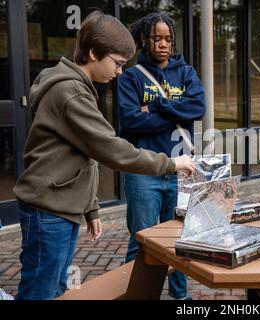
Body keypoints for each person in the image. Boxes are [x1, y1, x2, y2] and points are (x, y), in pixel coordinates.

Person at [12, 10, 195, 300]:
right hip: (48, 211)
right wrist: (171, 163)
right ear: (94, 53)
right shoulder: (70, 93)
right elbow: (110, 148)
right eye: (118, 63)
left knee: (56, 289)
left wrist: (91, 207)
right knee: (40, 293)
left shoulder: (76, 87)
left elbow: (84, 155)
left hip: (61, 208)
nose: (120, 71)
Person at [117, 12, 206, 300]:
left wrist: (155, 107)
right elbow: (131, 121)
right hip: (143, 172)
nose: (163, 44)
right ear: (144, 39)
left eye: (168, 39)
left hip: (182, 172)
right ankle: (135, 295)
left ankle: (181, 298)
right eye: (157, 38)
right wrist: (175, 108)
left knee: (180, 240)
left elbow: (198, 108)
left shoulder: (186, 73)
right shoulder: (131, 77)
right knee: (141, 240)